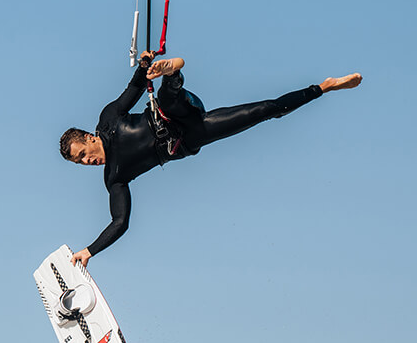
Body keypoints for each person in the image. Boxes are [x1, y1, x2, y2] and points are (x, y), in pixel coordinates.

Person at [60, 52, 362, 266]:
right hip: (192, 136)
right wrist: (90, 251)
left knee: (165, 98)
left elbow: (135, 87)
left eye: (82, 155)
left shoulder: (109, 119)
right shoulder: (115, 176)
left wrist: (144, 65)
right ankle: (325, 86)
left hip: (177, 112)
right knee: (264, 111)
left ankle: (172, 69)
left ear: (89, 138)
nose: (86, 163)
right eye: (79, 163)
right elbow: (120, 221)